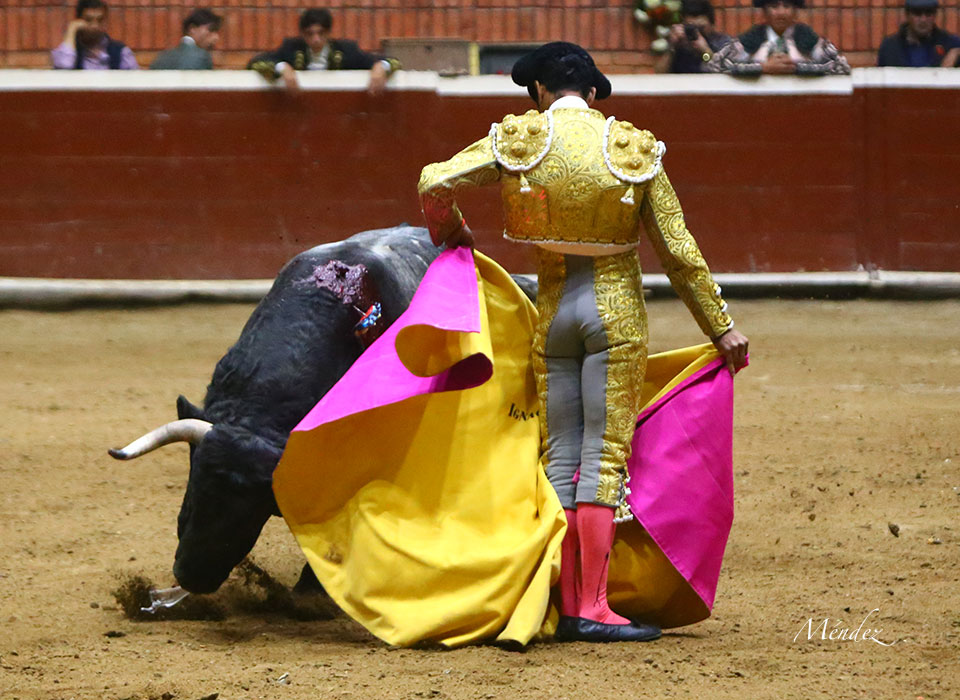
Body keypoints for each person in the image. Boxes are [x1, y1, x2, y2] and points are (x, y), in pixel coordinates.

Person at [418, 42, 749, 644]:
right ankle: (590, 605)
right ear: (593, 92)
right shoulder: (634, 148)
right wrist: (720, 328)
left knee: (561, 456)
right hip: (613, 315)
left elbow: (435, 181)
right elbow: (679, 251)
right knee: (601, 458)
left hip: (552, 315)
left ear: (539, 92)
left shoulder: (521, 140)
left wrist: (453, 232)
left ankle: (564, 599)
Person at [247, 8, 400, 95]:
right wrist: (282, 67)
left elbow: (393, 61)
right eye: (310, 34)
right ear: (302, 34)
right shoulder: (291, 48)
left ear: (329, 33)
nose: (316, 39)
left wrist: (381, 66)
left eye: (321, 33)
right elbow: (255, 62)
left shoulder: (346, 50)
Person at [705, 0, 849, 75]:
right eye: (774, 6)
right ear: (765, 11)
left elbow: (840, 67)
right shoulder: (752, 37)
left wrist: (797, 68)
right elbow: (716, 66)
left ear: (795, 10)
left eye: (786, 6)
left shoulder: (807, 36)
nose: (781, 12)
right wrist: (762, 68)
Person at [51, 0, 138, 70]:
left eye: (100, 20)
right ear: (79, 22)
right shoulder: (71, 51)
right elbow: (64, 67)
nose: (95, 25)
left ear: (106, 22)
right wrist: (71, 29)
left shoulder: (121, 52)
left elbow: (136, 84)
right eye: (88, 20)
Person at [654, 0, 732, 74]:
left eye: (701, 28)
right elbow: (660, 73)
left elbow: (723, 73)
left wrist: (705, 51)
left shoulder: (723, 43)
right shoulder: (680, 45)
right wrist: (672, 47)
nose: (697, 32)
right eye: (691, 27)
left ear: (712, 24)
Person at [877, 0, 960, 68]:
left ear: (935, 15)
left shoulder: (950, 44)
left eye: (928, 14)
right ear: (907, 15)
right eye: (918, 14)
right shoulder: (890, 47)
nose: (923, 20)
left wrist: (956, 53)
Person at [150, 8, 223, 70]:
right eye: (211, 30)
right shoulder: (202, 57)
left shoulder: (161, 58)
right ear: (192, 29)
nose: (216, 37)